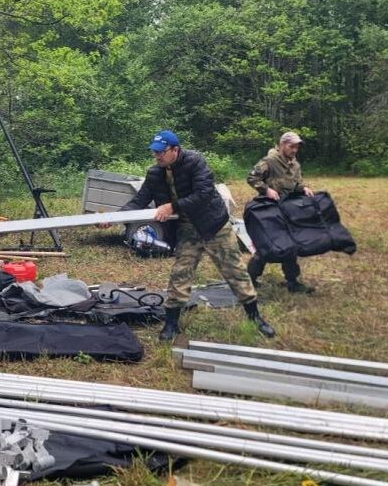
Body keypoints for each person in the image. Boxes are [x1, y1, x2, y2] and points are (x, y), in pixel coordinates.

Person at [121, 130, 275, 340]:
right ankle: (171, 324)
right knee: (180, 273)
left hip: (214, 225)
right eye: (154, 152)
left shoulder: (195, 162)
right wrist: (114, 217)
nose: (157, 156)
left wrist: (172, 206)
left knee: (235, 271)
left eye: (161, 152)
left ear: (175, 150)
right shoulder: (155, 173)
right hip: (187, 229)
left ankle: (255, 317)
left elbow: (203, 193)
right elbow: (140, 199)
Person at [246, 131, 315, 293]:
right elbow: (252, 178)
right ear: (282, 144)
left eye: (297, 147)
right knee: (267, 246)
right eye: (291, 146)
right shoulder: (269, 161)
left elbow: (296, 184)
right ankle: (250, 279)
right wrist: (266, 190)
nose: (294, 150)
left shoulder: (295, 165)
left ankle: (292, 282)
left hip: (287, 210)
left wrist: (303, 188)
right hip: (268, 210)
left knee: (290, 245)